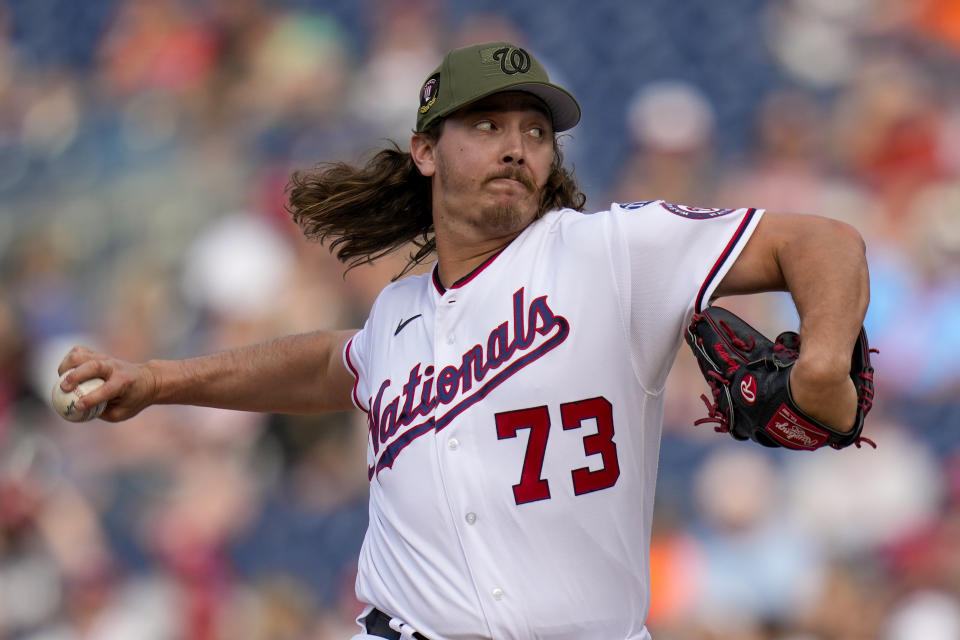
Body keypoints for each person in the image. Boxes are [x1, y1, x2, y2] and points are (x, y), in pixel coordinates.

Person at [58, 42, 870, 640]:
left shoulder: (612, 252)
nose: (517, 145)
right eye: (485, 124)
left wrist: (826, 360)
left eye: (535, 131)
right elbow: (329, 363)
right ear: (424, 151)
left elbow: (826, 243)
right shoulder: (397, 317)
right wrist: (160, 380)